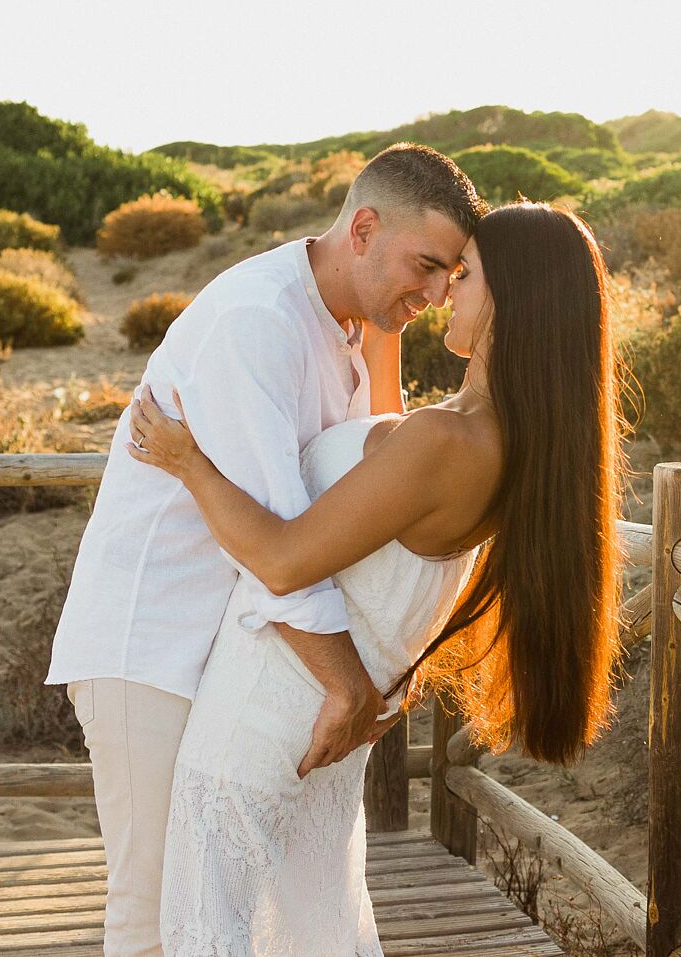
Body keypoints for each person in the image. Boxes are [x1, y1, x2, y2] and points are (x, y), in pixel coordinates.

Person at [125, 201, 625, 957]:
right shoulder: (495, 442)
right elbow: (384, 502)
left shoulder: (446, 440)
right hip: (321, 726)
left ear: (511, 299)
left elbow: (286, 557)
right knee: (305, 929)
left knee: (209, 931)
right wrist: (385, 322)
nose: (445, 292)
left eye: (466, 275)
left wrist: (187, 462)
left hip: (261, 722)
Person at [45, 143, 484, 957]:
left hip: (232, 650)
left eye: (450, 276)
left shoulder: (343, 326)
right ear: (361, 228)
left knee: (227, 914)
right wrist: (349, 684)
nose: (432, 292)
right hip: (153, 644)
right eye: (424, 266)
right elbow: (278, 545)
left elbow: (373, 472)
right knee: (154, 915)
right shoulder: (260, 322)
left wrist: (386, 329)